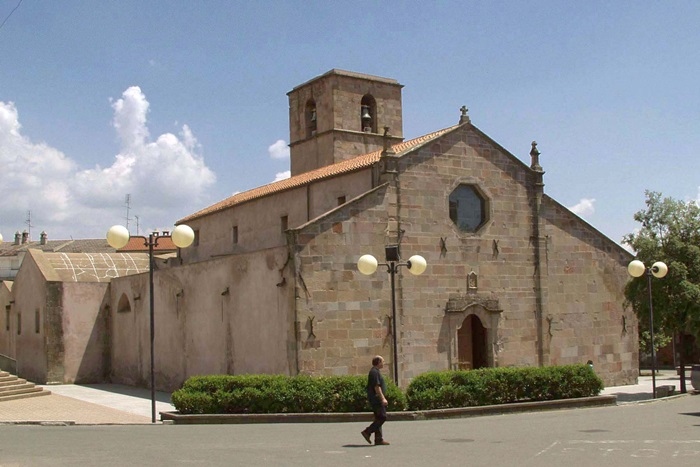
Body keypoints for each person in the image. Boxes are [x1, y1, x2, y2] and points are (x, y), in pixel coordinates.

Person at [360, 355, 390, 446]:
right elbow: (377, 387)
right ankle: (367, 431)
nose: (384, 363)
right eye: (383, 361)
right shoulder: (374, 372)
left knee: (378, 418)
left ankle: (378, 439)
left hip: (376, 399)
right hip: (376, 399)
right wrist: (383, 398)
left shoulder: (375, 371)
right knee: (382, 417)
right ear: (378, 362)